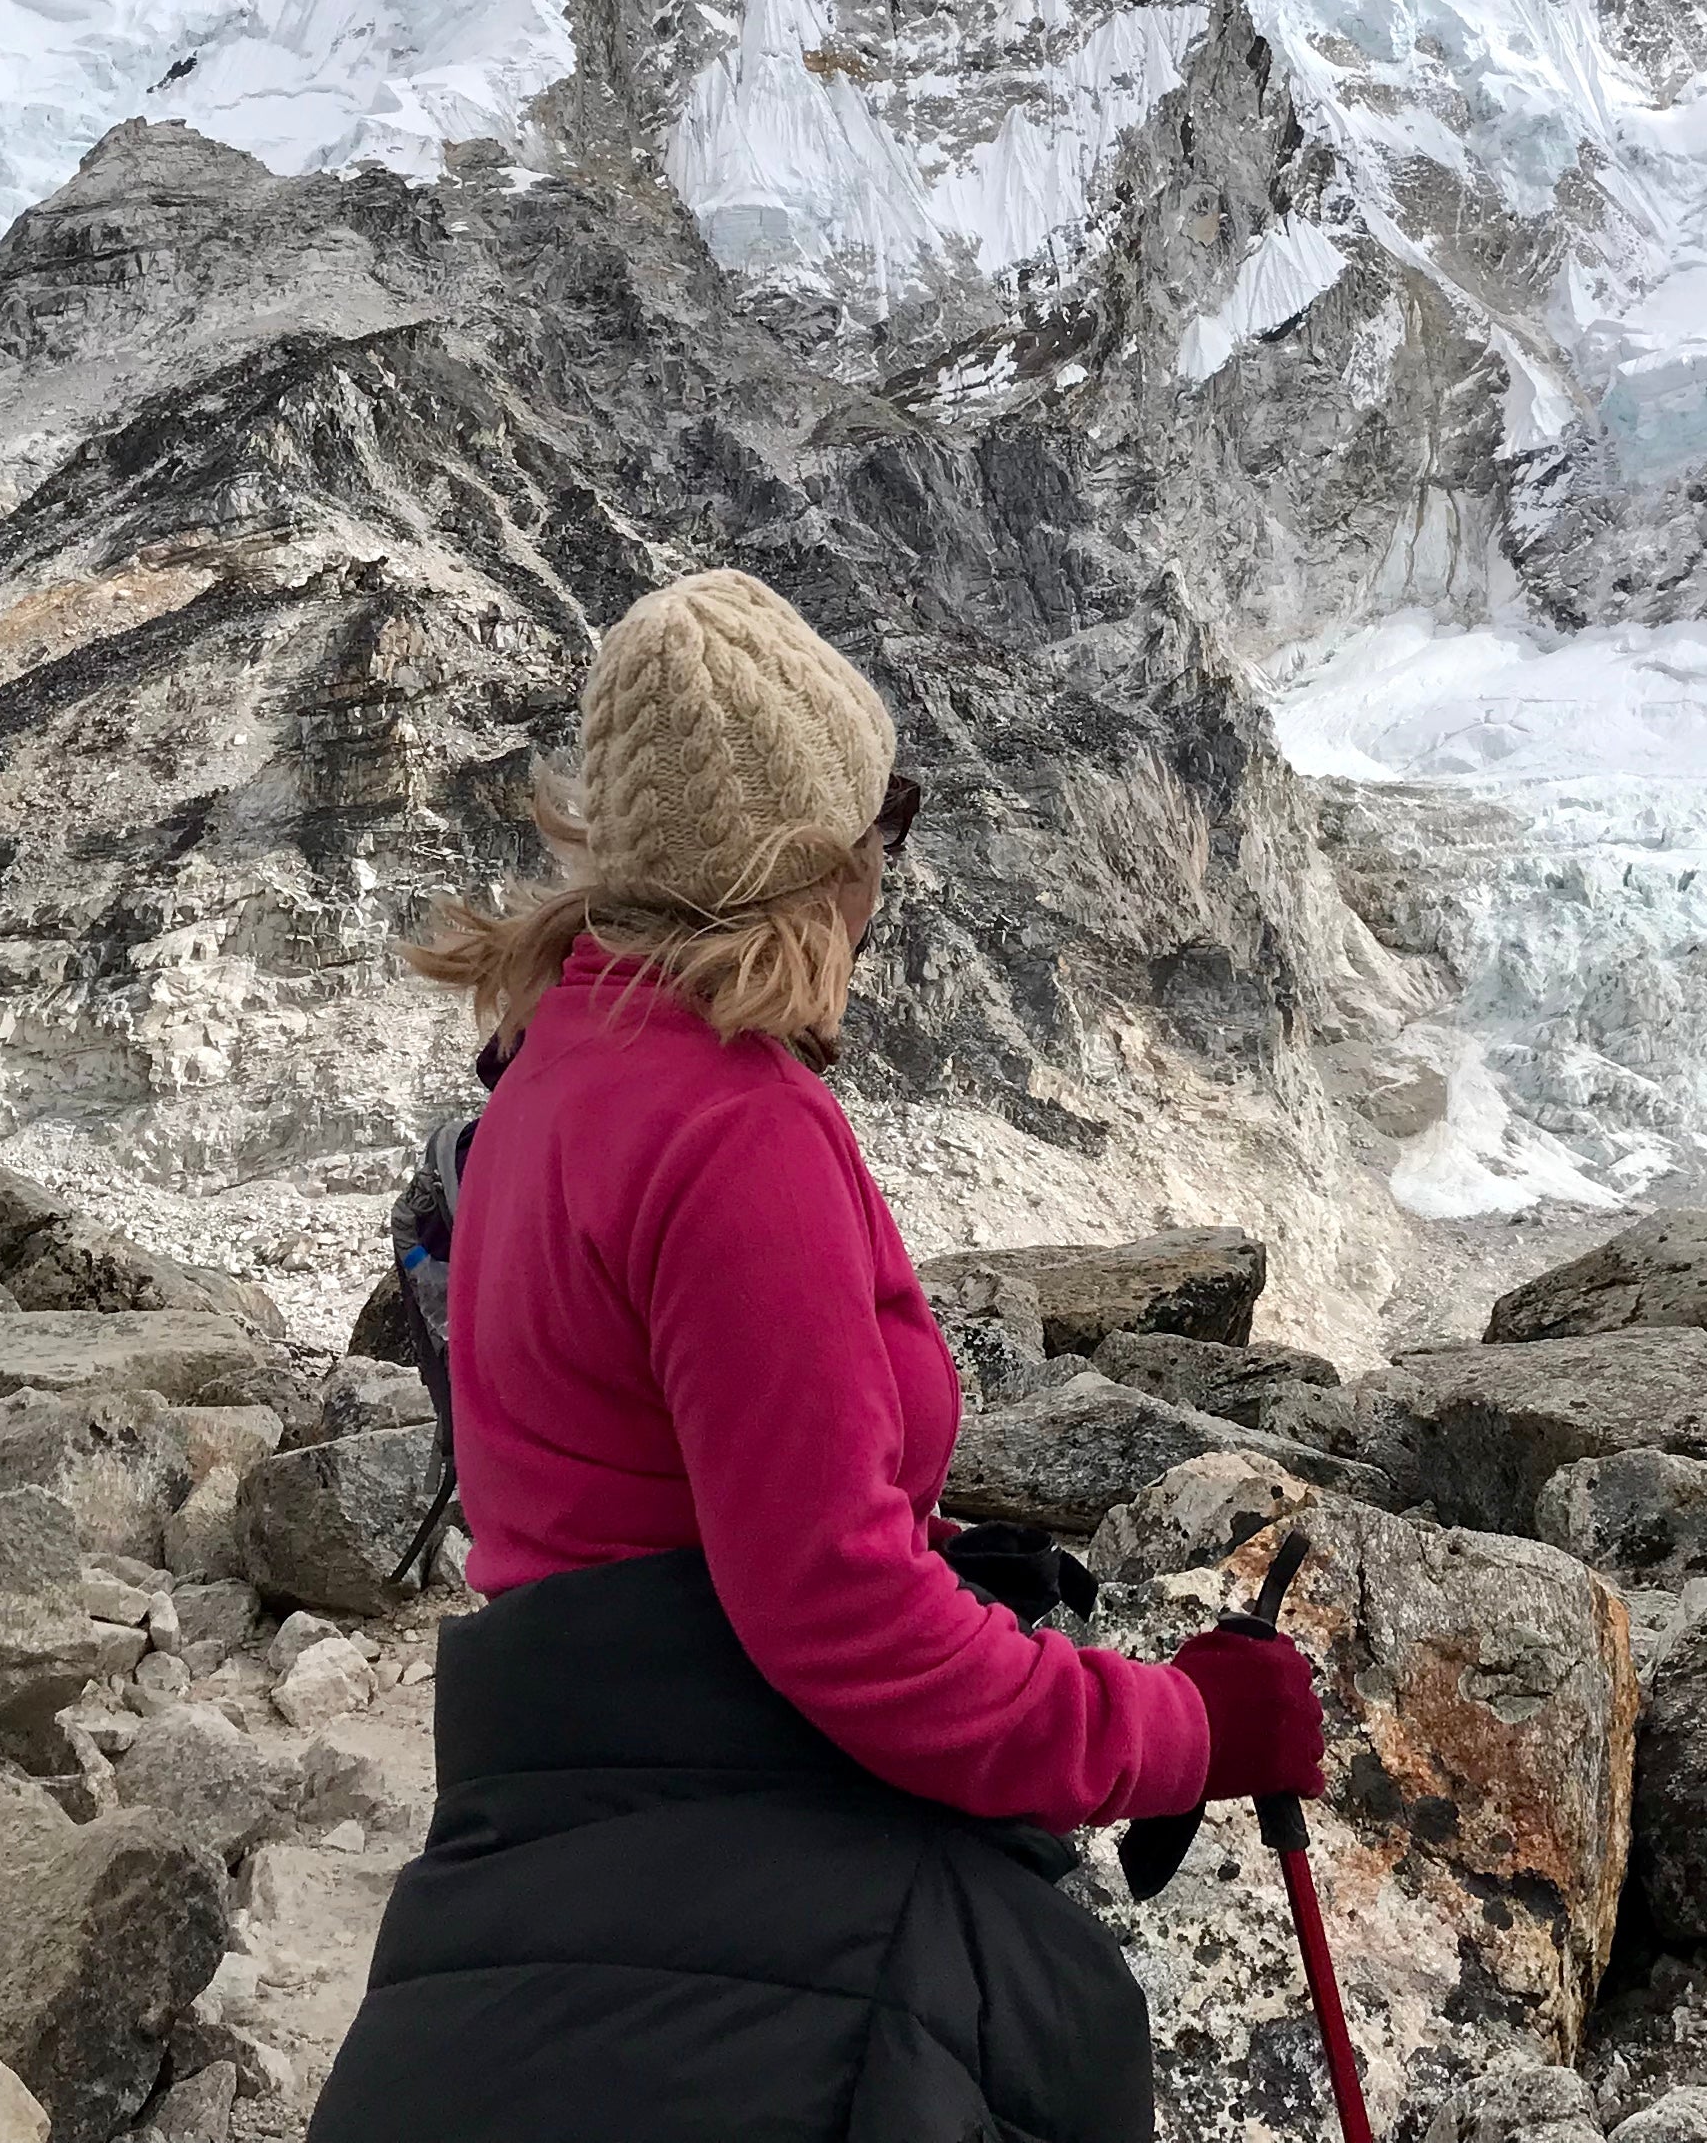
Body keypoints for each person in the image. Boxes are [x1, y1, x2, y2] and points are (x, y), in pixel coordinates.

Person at [305, 567, 1323, 2143]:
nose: (881, 884)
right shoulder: (732, 1132)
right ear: (813, 873)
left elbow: (657, 1501)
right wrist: (1180, 1732)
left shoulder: (550, 1072)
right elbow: (843, 1623)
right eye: (877, 835)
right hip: (740, 1793)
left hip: (563, 1788)